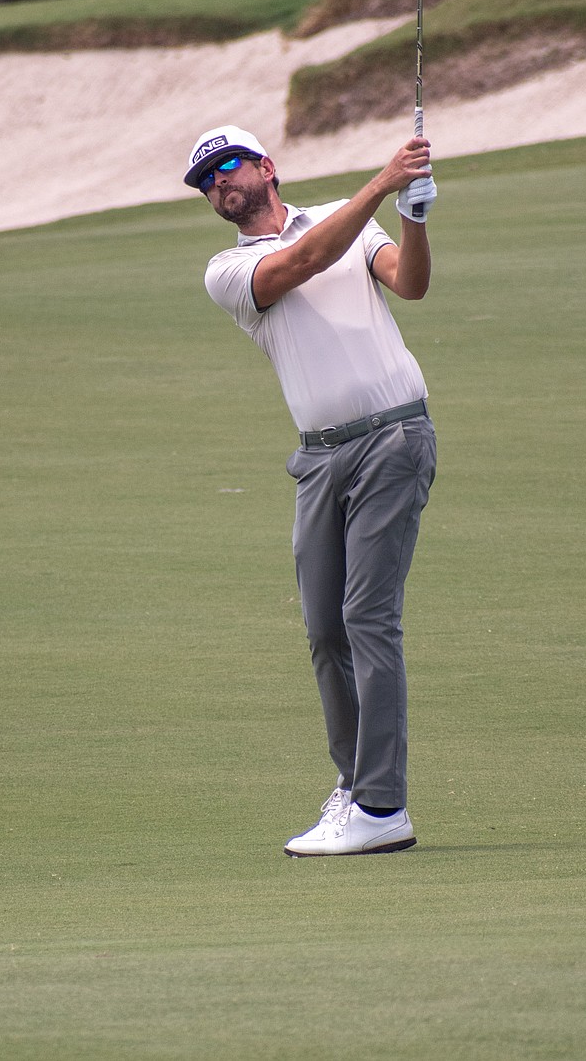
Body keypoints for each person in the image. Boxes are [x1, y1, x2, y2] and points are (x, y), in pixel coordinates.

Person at [184, 124, 438, 856]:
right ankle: (356, 786)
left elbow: (412, 283)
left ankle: (382, 807)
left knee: (366, 617)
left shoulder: (346, 224)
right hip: (320, 460)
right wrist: (384, 186)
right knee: (326, 631)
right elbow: (305, 257)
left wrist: (413, 217)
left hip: (393, 437)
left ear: (266, 166)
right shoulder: (228, 272)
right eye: (205, 181)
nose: (217, 184)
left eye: (226, 166)